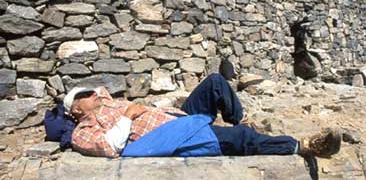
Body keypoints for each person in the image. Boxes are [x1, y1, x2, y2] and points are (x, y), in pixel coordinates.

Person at [63, 73, 341, 158]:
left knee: (215, 82)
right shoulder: (82, 130)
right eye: (86, 95)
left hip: (175, 115)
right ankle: (304, 147)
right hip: (172, 133)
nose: (95, 95)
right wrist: (128, 116)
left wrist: (160, 104)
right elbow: (109, 147)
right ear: (76, 108)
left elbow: (110, 95)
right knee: (241, 139)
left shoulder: (108, 103)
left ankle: (239, 118)